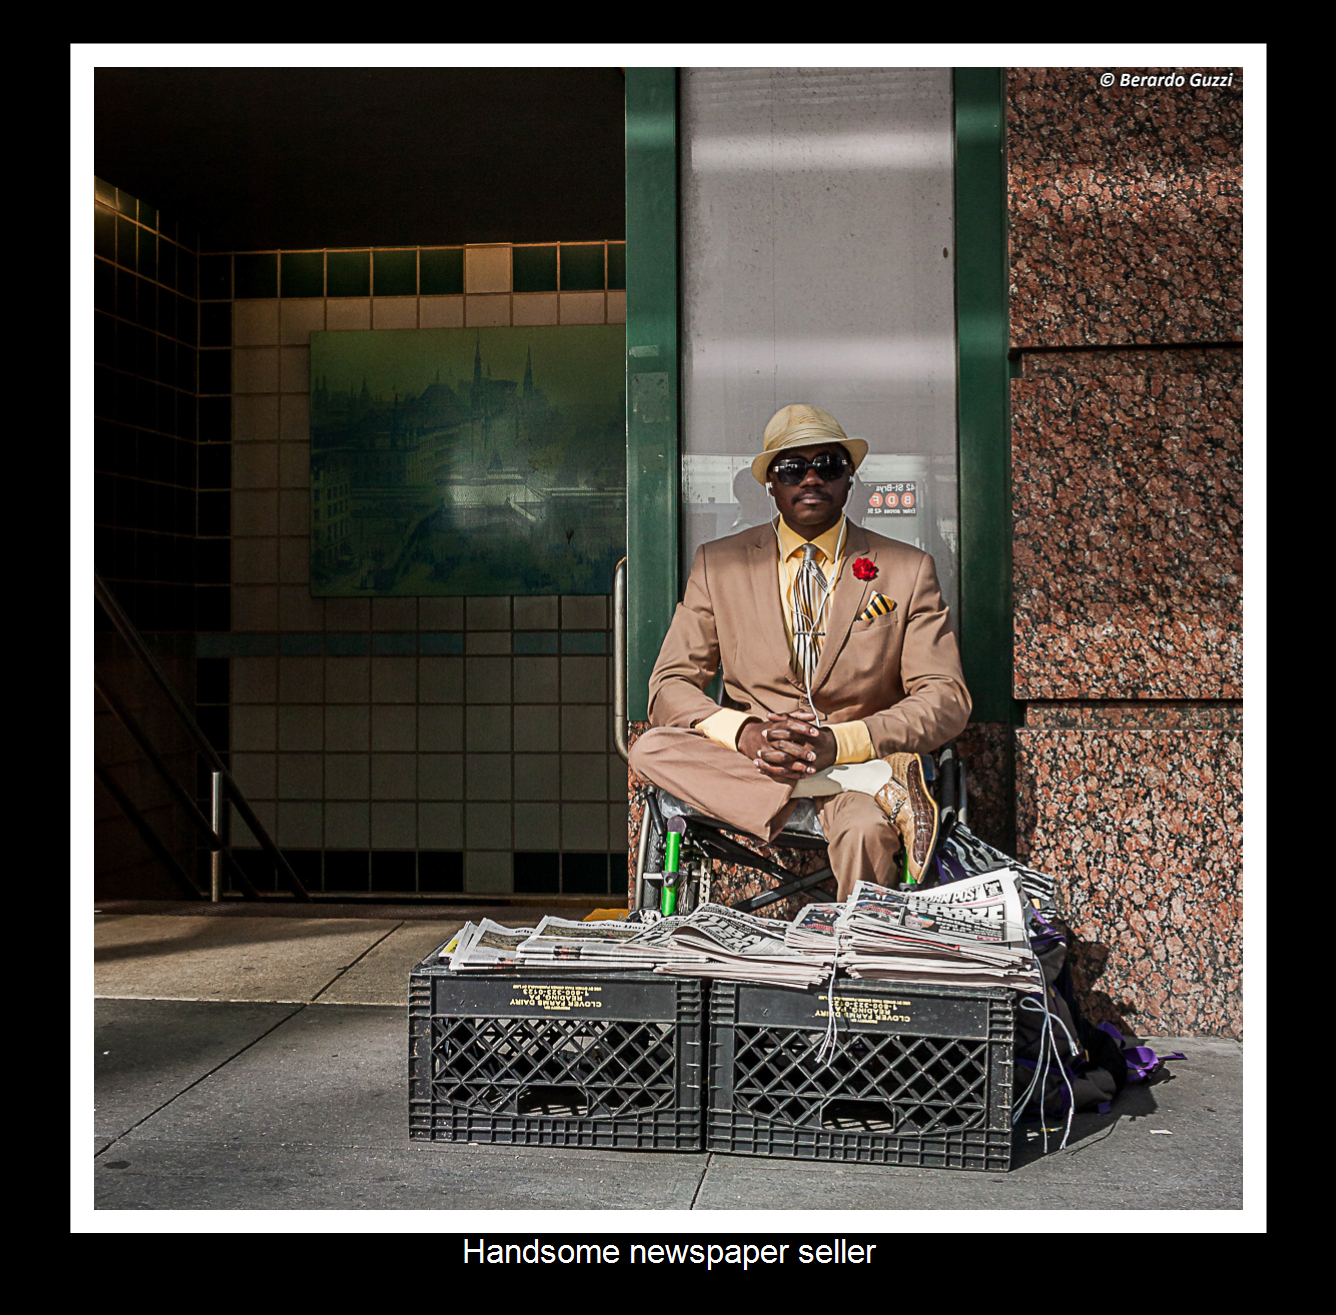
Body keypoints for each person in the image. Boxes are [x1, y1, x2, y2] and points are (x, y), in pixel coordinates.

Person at [628, 404, 971, 900]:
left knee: (867, 834)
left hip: (858, 757)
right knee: (649, 748)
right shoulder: (718, 565)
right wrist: (746, 734)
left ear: (849, 478)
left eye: (828, 465)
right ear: (771, 482)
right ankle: (872, 787)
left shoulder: (906, 568)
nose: (811, 478)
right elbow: (669, 686)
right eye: (792, 468)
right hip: (758, 762)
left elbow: (946, 696)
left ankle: (859, 966)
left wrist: (843, 741)